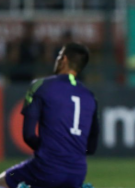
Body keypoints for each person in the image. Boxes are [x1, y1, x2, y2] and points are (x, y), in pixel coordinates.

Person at [0, 42, 99, 188]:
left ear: (64, 59)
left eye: (59, 55)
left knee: (4, 180)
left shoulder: (40, 86)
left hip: (45, 168)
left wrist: (48, 151)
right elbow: (91, 147)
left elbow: (28, 135)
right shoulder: (90, 96)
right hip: (77, 172)